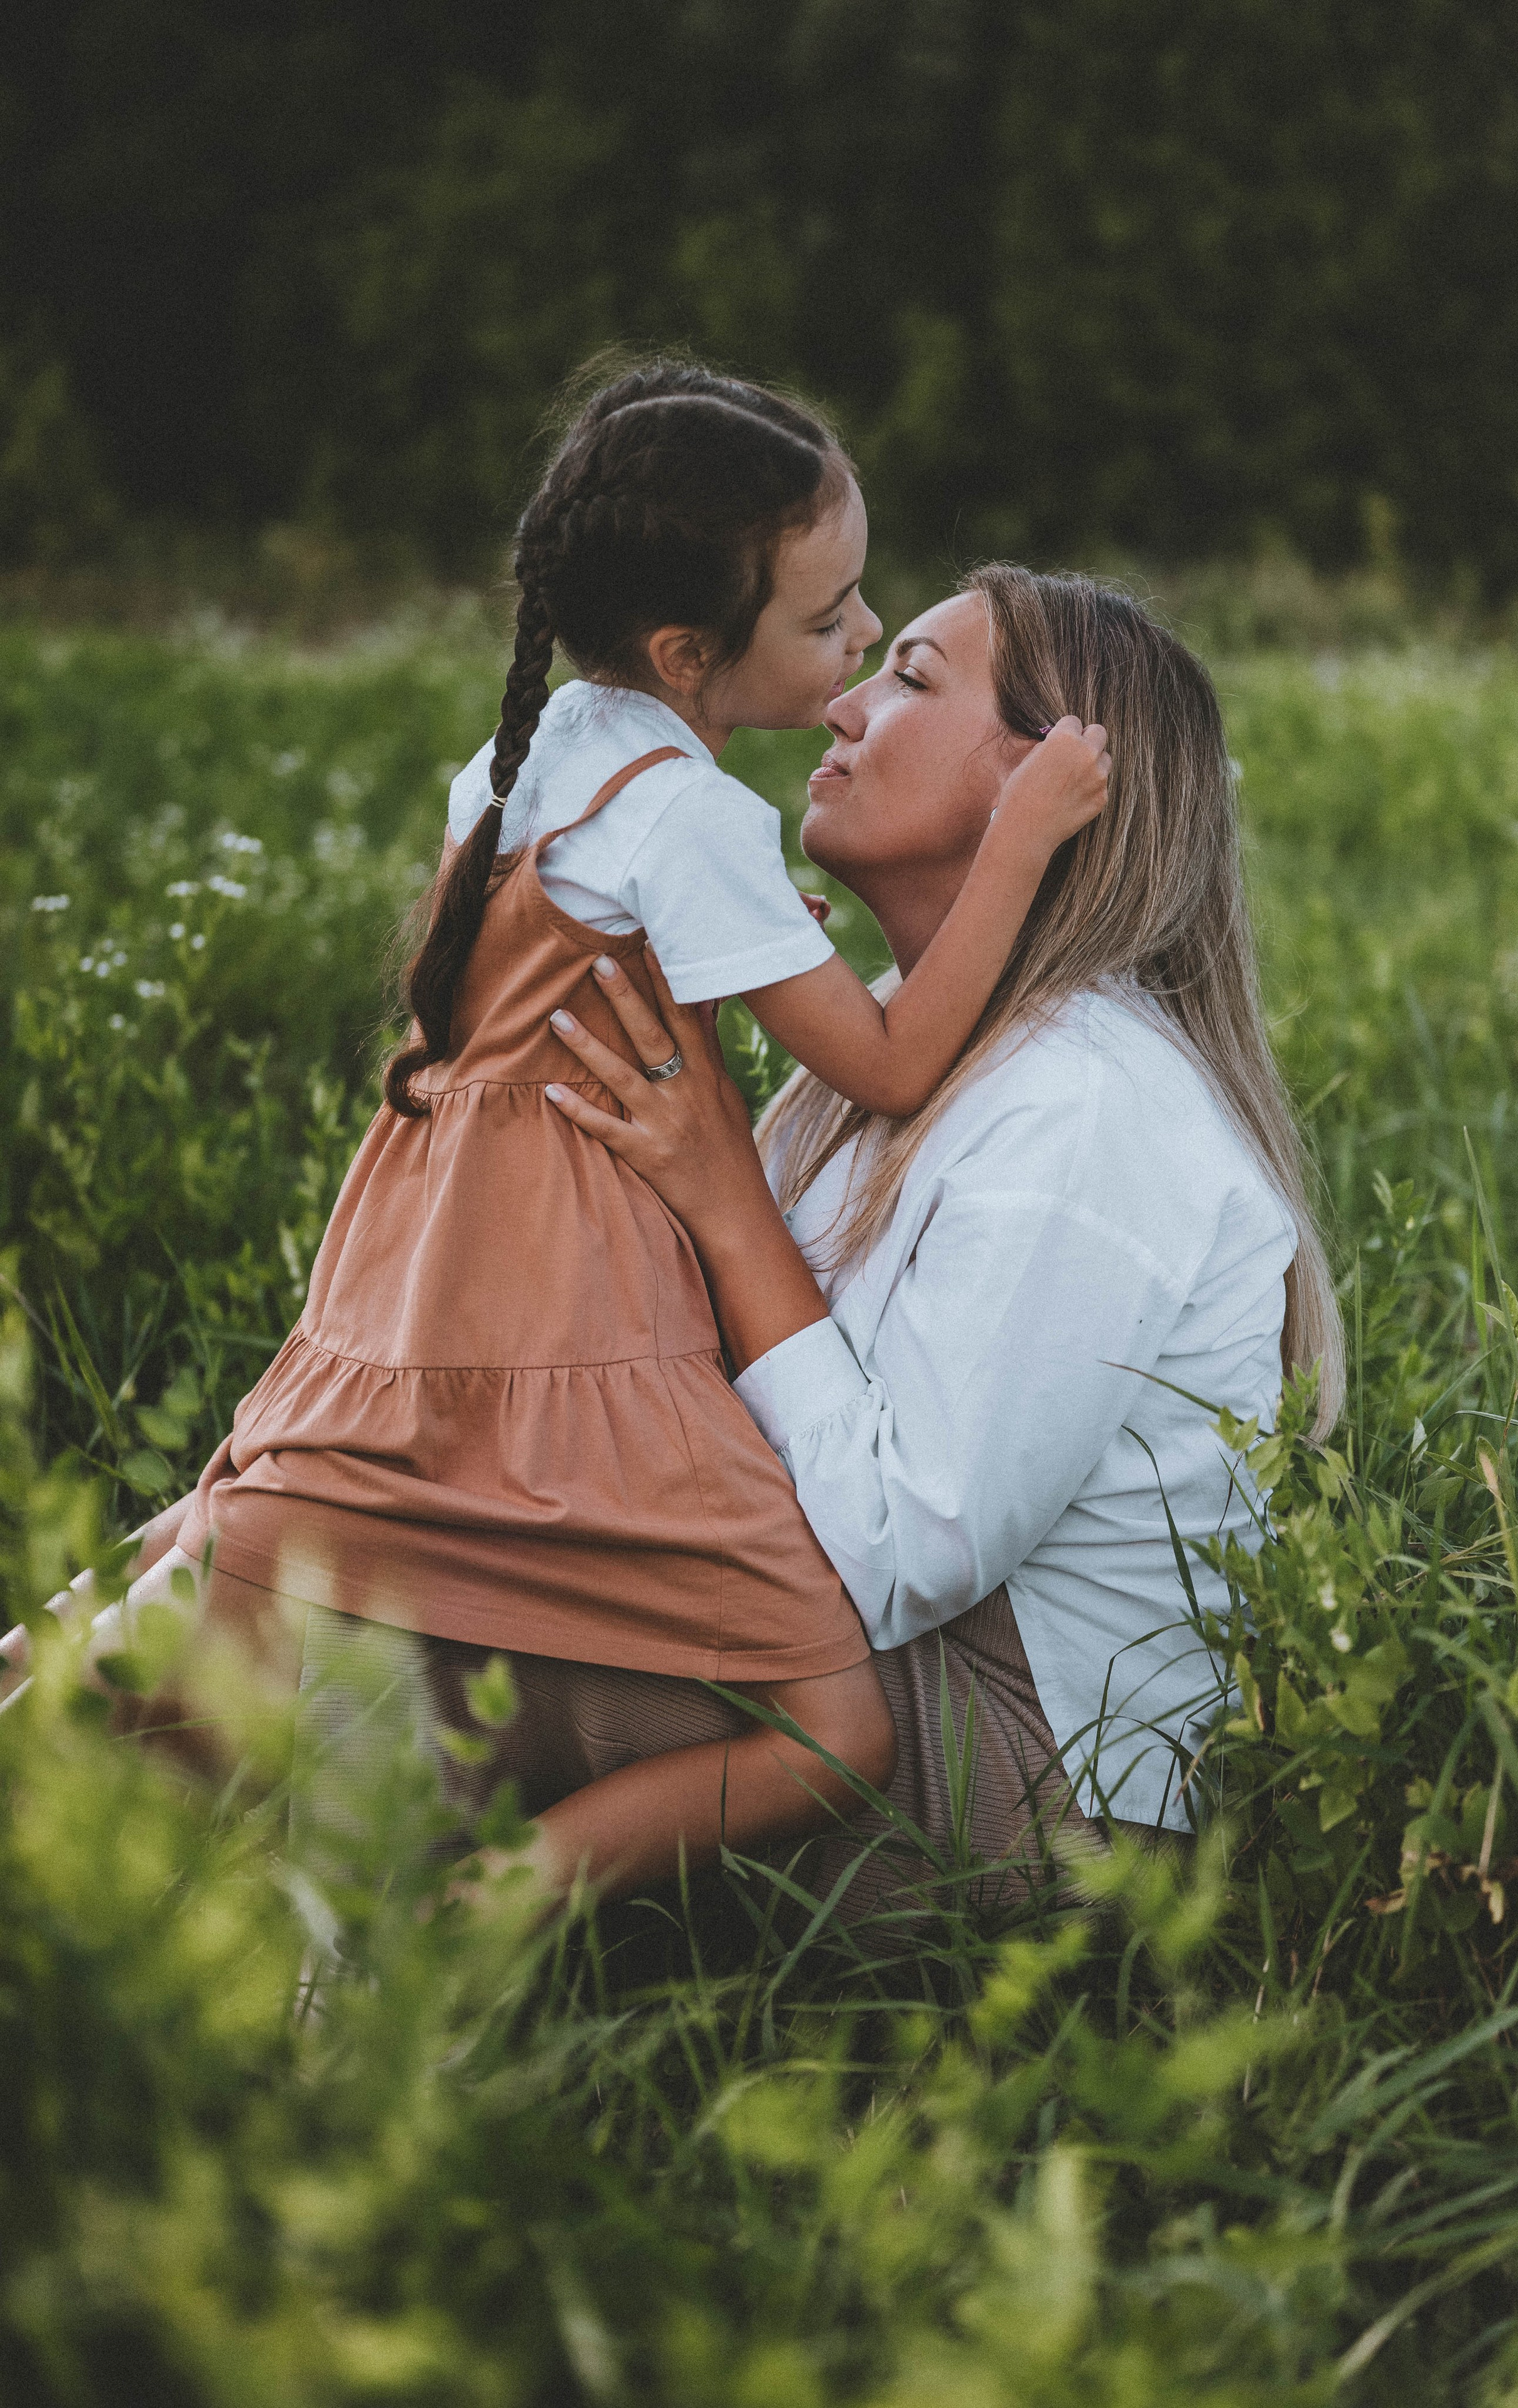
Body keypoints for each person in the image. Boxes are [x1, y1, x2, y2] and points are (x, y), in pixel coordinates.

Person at [3, 370, 1111, 1908]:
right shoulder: (688, 818)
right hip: (568, 1306)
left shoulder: (536, 752)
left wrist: (725, 938)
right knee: (833, 1720)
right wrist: (1022, 836)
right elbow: (894, 1060)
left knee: (227, 1569)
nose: (861, 638)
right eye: (828, 617)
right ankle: (476, 1913)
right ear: (685, 653)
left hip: (420, 1265)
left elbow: (535, 964)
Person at [528, 565, 1345, 1908]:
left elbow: (889, 1554)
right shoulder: (885, 1045)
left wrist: (728, 1202)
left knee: (433, 1622)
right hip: (873, 1667)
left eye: (907, 678)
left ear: (1038, 781)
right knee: (375, 1540)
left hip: (1032, 1781)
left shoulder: (1084, 1105)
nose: (840, 707)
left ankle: (295, 1950)